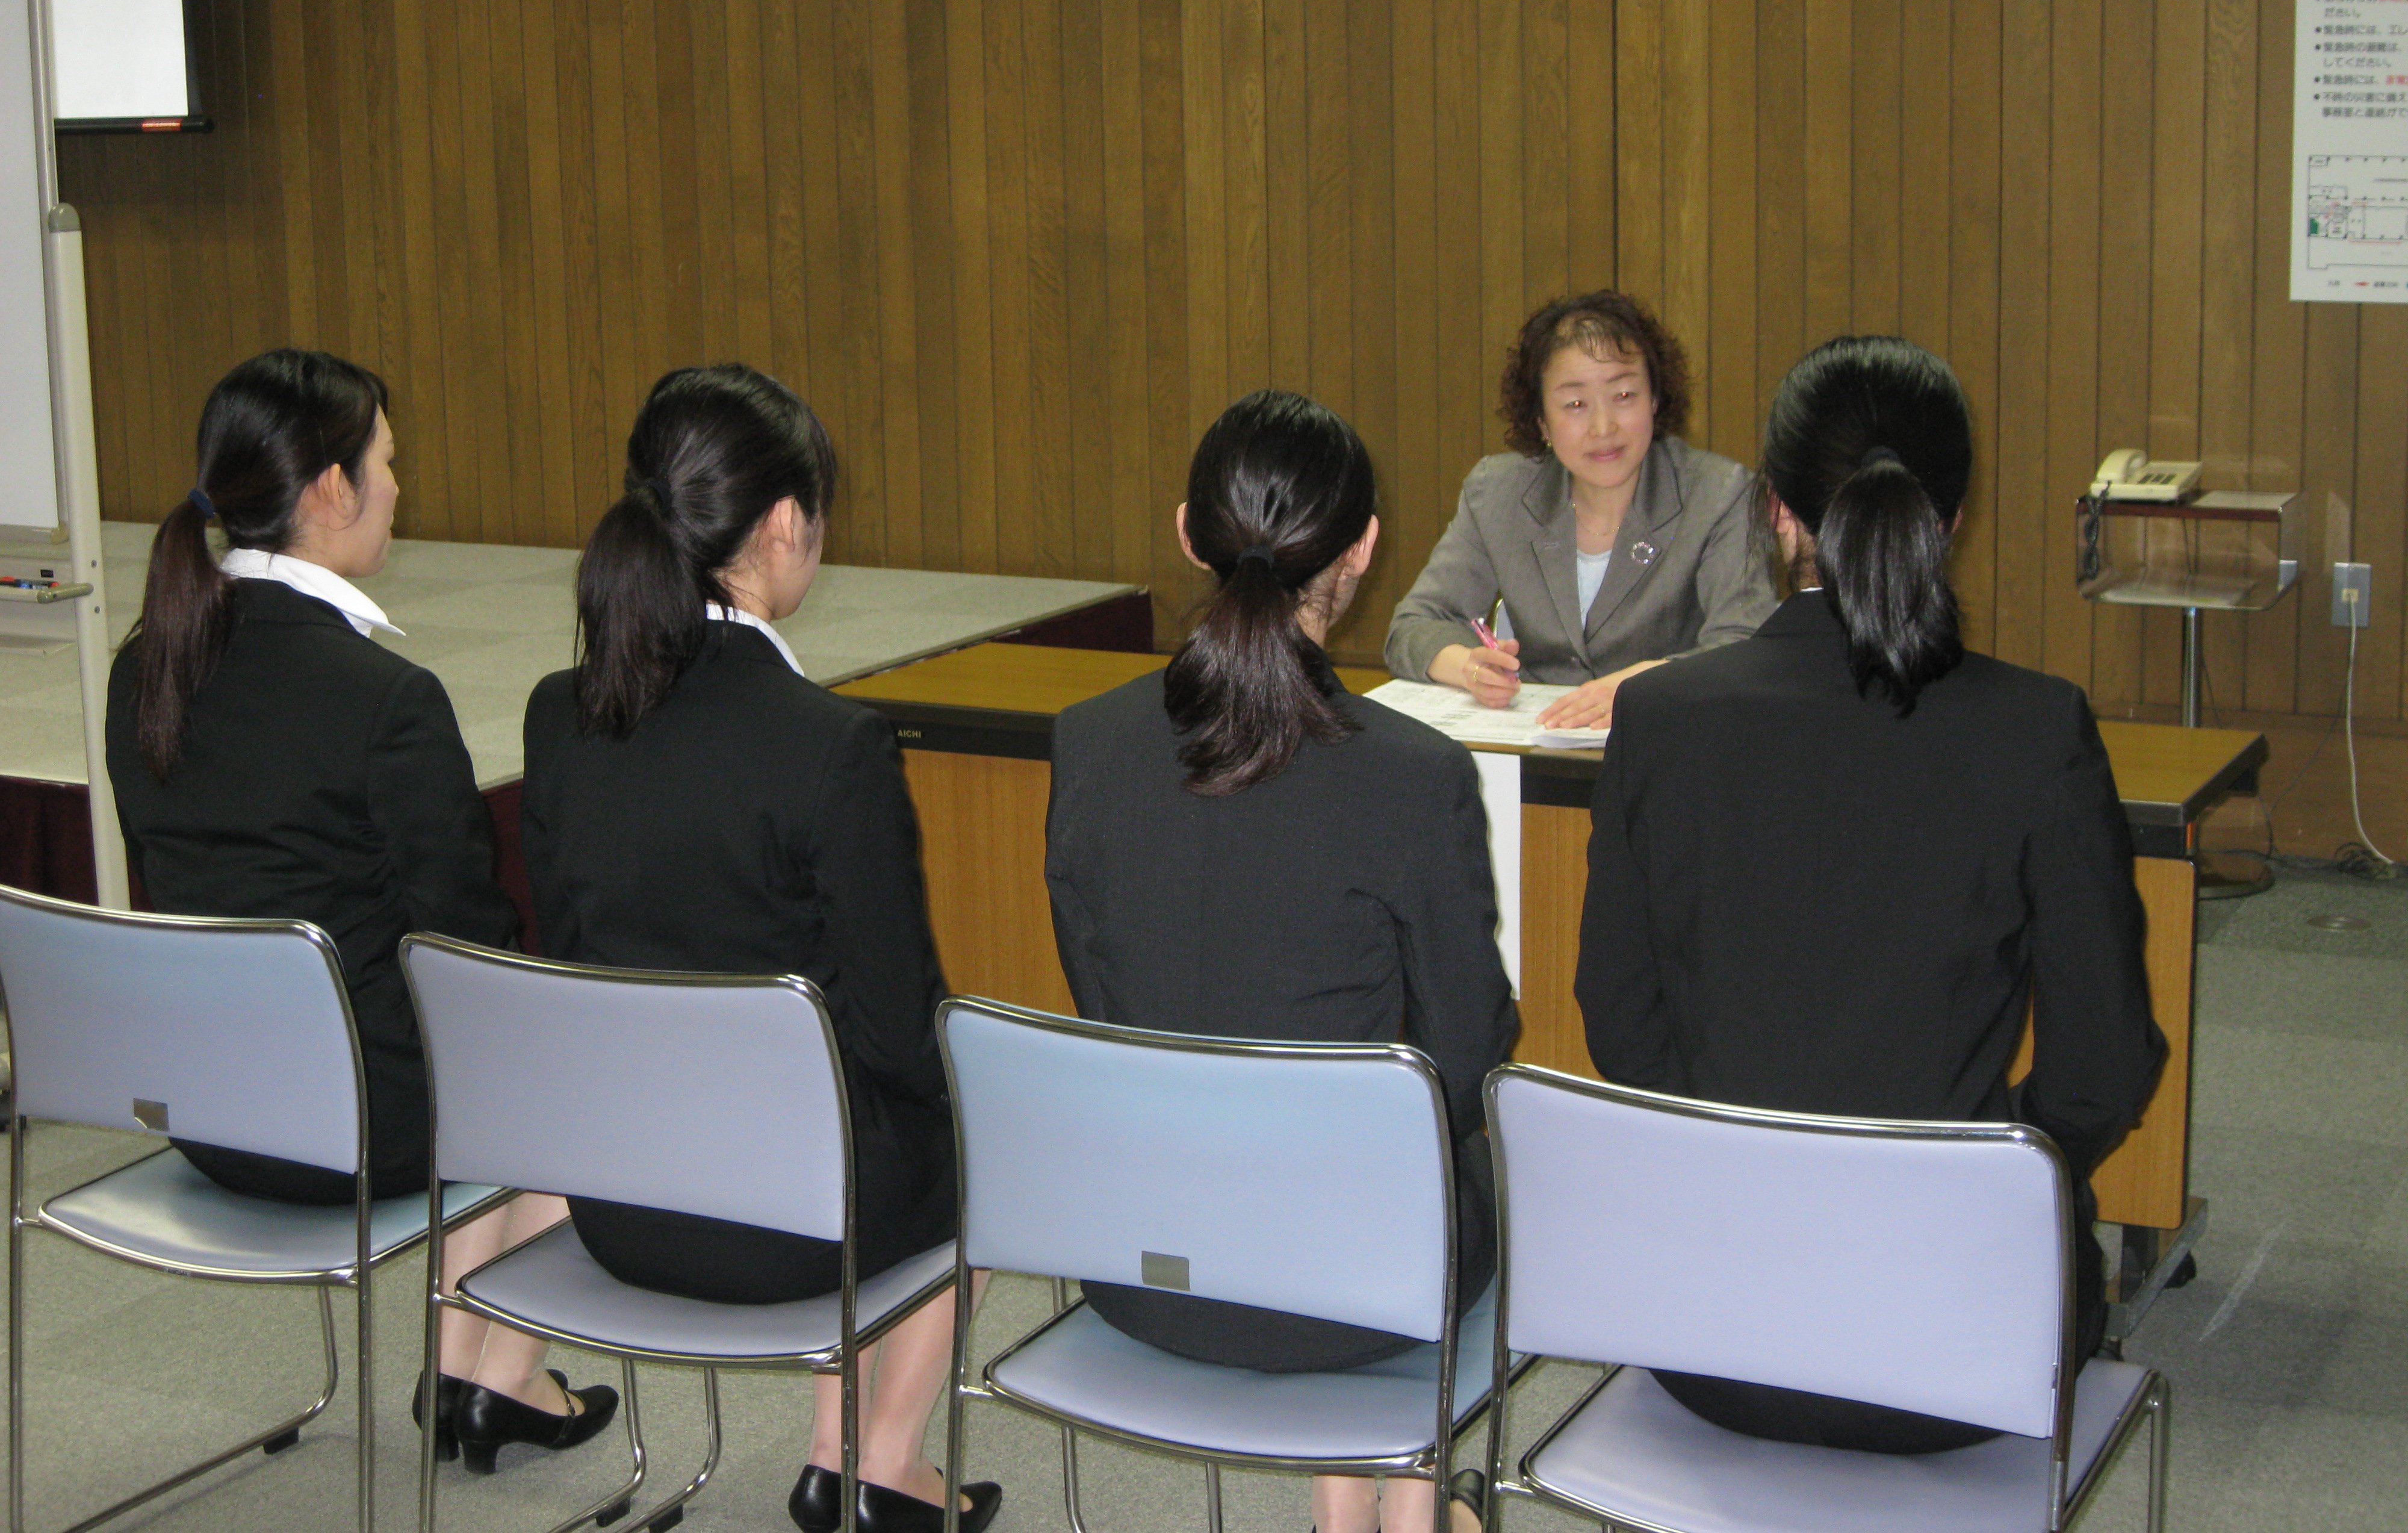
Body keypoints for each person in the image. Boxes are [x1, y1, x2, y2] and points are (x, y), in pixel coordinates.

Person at [1575, 334, 2167, 1454]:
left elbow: (1622, 1022)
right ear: (1952, 520)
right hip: (1960, 1359)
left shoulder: (1664, 720)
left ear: (1775, 514)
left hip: (1714, 1341)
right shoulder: (2038, 730)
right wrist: (1988, 1179)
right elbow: (2102, 1065)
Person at [105, 348, 616, 1474]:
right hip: (356, 1131)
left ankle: (478, 1378)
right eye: (389, 462)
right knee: (581, 1056)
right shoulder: (385, 700)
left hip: (213, 1114)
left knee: (481, 1053)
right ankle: (495, 1376)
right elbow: (471, 946)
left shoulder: (144, 668)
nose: (401, 486)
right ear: (329, 492)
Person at [518, 364, 997, 1533]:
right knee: (976, 1140)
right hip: (794, 1230)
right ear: (783, 525)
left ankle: (852, 1458)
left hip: (621, 1201)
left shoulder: (557, 712)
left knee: (856, 1106)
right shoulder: (829, 747)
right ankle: (871, 1463)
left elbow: (571, 962)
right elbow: (897, 1028)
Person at [1046, 390, 1518, 1533]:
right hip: (1364, 1295)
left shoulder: (1090, 744)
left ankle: (1356, 1514)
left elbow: (1103, 995)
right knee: (1430, 1149)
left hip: (1149, 1273)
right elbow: (1471, 1049)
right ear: (1360, 550)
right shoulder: (1412, 776)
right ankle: (1406, 1513)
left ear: (1185, 535)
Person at [1385, 289, 1776, 730]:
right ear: (1541, 422)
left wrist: (1646, 685)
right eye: (1575, 405)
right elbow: (1414, 626)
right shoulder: (1498, 492)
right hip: (1539, 750)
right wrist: (1472, 669)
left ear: (1655, 399)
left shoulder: (1720, 494)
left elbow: (1748, 647)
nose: (1603, 427)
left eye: (1624, 395)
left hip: (1672, 743)